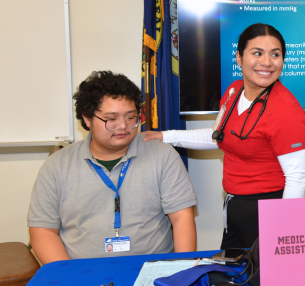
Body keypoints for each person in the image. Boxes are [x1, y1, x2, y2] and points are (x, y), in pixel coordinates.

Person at [142, 23, 305, 249]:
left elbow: (297, 177)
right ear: (239, 57)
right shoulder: (233, 92)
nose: (267, 62)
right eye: (257, 53)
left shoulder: (286, 110)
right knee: (231, 274)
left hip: (270, 206)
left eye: (275, 54)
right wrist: (165, 136)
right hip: (234, 205)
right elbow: (217, 136)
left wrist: (283, 234)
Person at [28, 71, 198, 264]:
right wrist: (72, 277)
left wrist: (181, 273)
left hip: (151, 270)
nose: (123, 126)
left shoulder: (163, 156)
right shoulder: (57, 166)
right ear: (87, 119)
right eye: (111, 119)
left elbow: (182, 219)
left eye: (130, 117)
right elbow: (43, 231)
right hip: (83, 272)